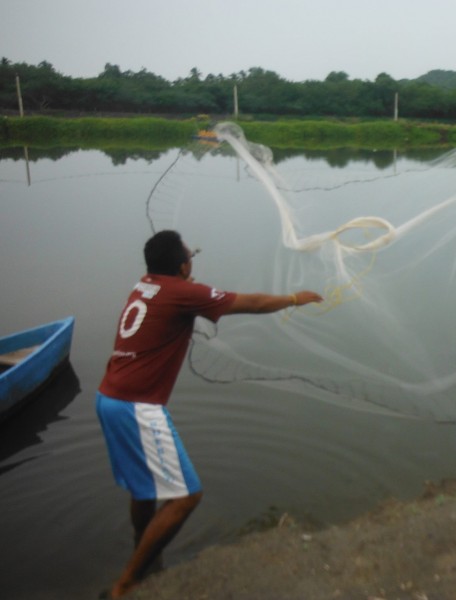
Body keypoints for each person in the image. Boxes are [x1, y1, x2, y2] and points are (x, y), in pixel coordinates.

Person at [96, 230, 323, 598]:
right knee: (187, 496)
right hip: (138, 406)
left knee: (144, 487)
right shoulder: (185, 294)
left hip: (109, 397)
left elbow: (172, 299)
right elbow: (250, 302)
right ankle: (127, 584)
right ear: (183, 265)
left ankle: (144, 547)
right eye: (190, 256)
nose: (192, 260)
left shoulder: (144, 287)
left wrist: (184, 285)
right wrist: (294, 298)